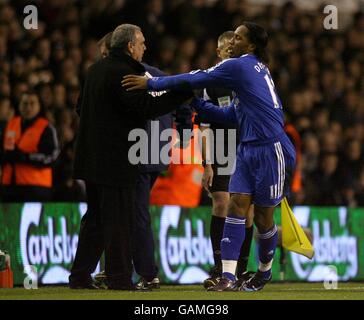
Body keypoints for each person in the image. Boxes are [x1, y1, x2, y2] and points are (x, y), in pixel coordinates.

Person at [122, 22, 296, 292]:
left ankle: (264, 271)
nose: (232, 41)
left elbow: (194, 77)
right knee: (235, 205)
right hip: (248, 149)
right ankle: (227, 276)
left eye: (238, 37)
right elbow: (231, 116)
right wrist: (194, 103)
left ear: (250, 45)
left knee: (263, 218)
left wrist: (151, 83)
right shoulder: (251, 69)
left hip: (271, 149)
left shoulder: (240, 65)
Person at [69, 24, 192, 290]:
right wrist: (183, 92)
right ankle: (120, 279)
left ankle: (79, 276)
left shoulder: (94, 70)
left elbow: (81, 108)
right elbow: (146, 108)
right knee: (120, 221)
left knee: (96, 220)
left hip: (90, 158)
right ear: (129, 46)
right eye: (142, 43)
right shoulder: (126, 72)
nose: (144, 48)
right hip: (117, 160)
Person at [195, 31, 255, 289]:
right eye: (226, 50)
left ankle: (240, 268)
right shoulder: (211, 83)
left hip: (248, 149)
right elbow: (205, 126)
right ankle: (220, 266)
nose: (231, 53)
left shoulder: (248, 79)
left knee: (248, 211)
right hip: (221, 149)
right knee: (221, 203)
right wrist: (207, 163)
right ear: (219, 53)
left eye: (234, 50)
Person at [0, 91, 59, 202]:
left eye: (32, 103)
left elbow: (52, 156)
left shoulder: (46, 128)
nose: (28, 107)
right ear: (19, 105)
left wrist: (26, 157)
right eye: (25, 103)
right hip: (9, 186)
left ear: (39, 106)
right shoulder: (11, 124)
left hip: (36, 188)